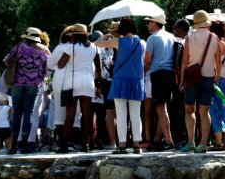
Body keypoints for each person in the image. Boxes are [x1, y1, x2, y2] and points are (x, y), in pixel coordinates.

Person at [95, 18, 146, 154]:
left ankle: (122, 145)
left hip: (120, 81)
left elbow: (97, 44)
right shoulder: (141, 42)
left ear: (120, 29)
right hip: (136, 81)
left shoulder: (118, 41)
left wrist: (106, 35)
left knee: (121, 113)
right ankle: (136, 144)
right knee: (136, 114)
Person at [179, 10, 221, 153]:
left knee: (189, 109)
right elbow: (218, 62)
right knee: (205, 111)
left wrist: (182, 79)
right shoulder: (214, 37)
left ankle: (191, 142)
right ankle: (203, 143)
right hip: (209, 77)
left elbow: (185, 61)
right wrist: (217, 78)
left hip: (192, 77)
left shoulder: (190, 37)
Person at [4, 27, 51, 154]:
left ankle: (13, 147)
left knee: (17, 115)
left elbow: (7, 60)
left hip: (18, 84)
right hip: (34, 85)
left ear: (27, 37)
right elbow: (48, 69)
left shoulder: (20, 46)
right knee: (28, 114)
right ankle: (25, 146)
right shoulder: (45, 50)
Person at [56, 24, 100, 153]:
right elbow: (98, 68)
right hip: (88, 82)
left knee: (70, 115)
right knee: (86, 115)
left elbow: (60, 65)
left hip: (72, 82)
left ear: (74, 35)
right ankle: (85, 144)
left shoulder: (71, 47)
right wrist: (98, 85)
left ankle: (64, 146)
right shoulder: (94, 47)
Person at [143, 14, 177, 151]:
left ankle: (169, 141)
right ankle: (157, 140)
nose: (147, 25)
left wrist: (143, 72)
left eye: (149, 22)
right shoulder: (171, 36)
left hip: (158, 74)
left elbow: (147, 60)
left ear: (155, 23)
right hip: (169, 74)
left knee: (161, 108)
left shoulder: (152, 38)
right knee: (162, 107)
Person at [208, 20, 225, 151]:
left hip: (217, 79)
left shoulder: (214, 45)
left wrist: (215, 79)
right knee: (224, 107)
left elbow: (215, 64)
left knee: (214, 109)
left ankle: (218, 142)